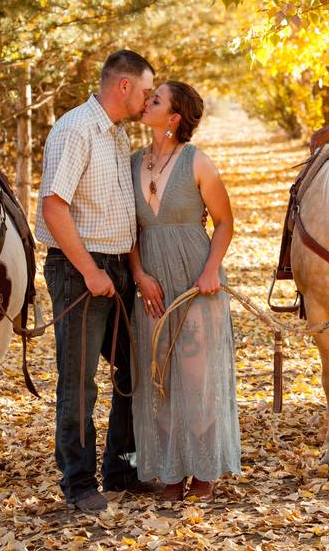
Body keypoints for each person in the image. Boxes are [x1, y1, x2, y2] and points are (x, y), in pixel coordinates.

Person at [36, 50, 155, 513]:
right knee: (79, 380)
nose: (148, 101)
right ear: (123, 86)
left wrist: (135, 271)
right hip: (78, 270)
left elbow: (122, 211)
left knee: (133, 369)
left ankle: (121, 469)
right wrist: (89, 270)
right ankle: (79, 482)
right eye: (146, 91)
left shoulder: (118, 136)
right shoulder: (76, 130)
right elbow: (53, 207)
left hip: (118, 268)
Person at [129, 81, 240, 501]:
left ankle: (205, 471)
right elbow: (131, 230)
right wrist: (138, 273)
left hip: (197, 281)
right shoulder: (132, 162)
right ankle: (172, 471)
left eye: (155, 100)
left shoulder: (198, 162)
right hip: (153, 284)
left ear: (173, 118)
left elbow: (224, 222)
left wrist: (211, 270)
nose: (146, 102)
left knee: (196, 378)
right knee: (159, 379)